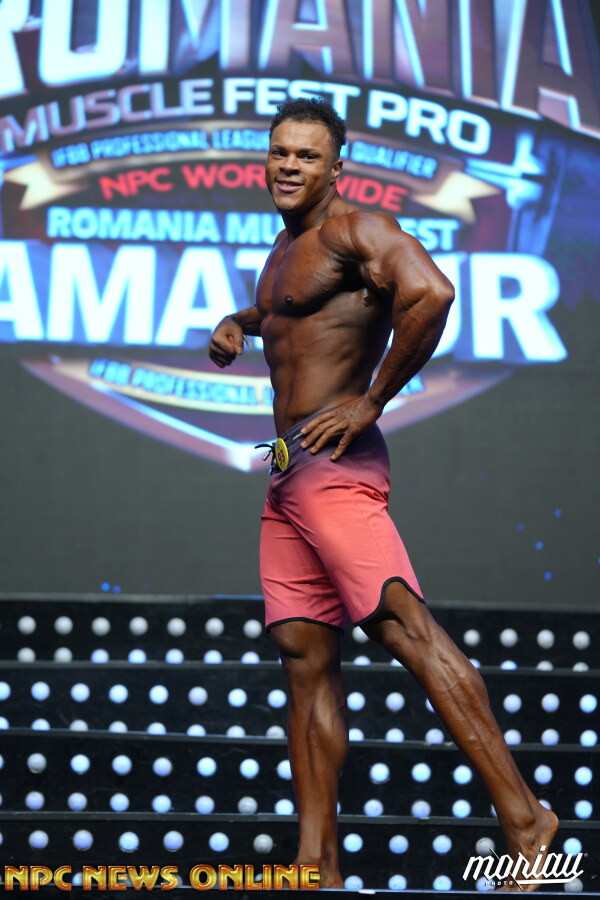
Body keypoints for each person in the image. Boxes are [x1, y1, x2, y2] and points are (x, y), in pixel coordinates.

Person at [209, 98, 558, 891]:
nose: (288, 166)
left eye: (306, 155)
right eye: (279, 152)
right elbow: (286, 315)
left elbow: (431, 292)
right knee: (305, 663)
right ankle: (316, 866)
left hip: (335, 470)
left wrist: (371, 402)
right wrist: (237, 320)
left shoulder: (355, 230)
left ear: (337, 167)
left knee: (406, 629)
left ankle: (527, 821)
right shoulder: (285, 249)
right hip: (288, 475)